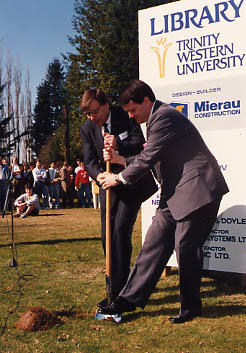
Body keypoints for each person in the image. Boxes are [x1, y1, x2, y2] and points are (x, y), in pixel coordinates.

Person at [98, 79, 229, 323]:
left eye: (133, 110)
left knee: (185, 245)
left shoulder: (164, 116)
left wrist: (118, 178)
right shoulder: (155, 119)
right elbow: (150, 155)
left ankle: (190, 308)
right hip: (176, 190)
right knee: (154, 241)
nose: (131, 116)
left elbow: (147, 158)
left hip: (199, 189)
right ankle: (129, 299)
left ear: (146, 101)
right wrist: (119, 158)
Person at [80, 88, 157, 305]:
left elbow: (139, 143)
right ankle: (114, 284)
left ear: (106, 105)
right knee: (107, 235)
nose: (92, 117)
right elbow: (89, 161)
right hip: (108, 186)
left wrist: (118, 145)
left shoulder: (125, 115)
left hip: (131, 183)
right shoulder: (87, 129)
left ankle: (120, 292)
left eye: (95, 112)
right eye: (88, 114)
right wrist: (100, 175)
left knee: (121, 231)